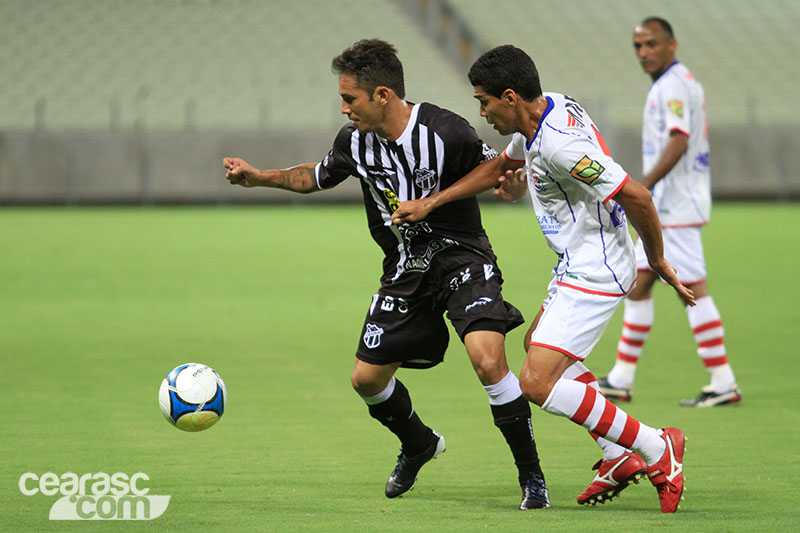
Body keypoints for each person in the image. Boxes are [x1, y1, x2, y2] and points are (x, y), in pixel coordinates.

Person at [223, 39, 551, 510]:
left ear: (381, 95)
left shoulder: (446, 131)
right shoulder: (353, 142)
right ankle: (419, 443)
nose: (343, 108)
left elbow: (498, 174)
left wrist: (513, 187)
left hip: (463, 259)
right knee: (366, 380)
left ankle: (532, 478)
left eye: (349, 99)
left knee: (487, 360)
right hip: (405, 271)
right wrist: (260, 178)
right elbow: (314, 176)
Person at [391, 44, 693, 513]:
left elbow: (637, 196)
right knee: (542, 348)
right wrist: (431, 203)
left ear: (509, 97)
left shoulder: (560, 145)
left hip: (596, 266)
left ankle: (656, 447)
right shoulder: (543, 108)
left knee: (535, 382)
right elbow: (502, 166)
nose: (482, 111)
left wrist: (656, 260)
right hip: (576, 261)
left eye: (483, 101)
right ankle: (617, 456)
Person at [598, 17, 742, 408]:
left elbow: (679, 138)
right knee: (641, 285)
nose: (644, 53)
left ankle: (723, 380)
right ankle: (621, 378)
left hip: (674, 205)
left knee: (692, 288)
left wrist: (643, 185)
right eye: (638, 46)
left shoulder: (673, 85)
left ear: (671, 45)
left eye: (651, 44)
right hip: (672, 203)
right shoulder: (679, 82)